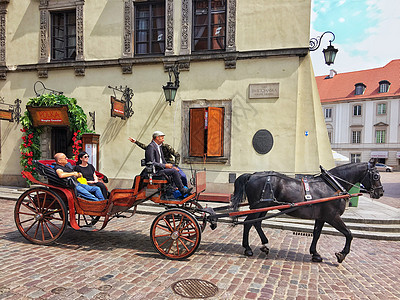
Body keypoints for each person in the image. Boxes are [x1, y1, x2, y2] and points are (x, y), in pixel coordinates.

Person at [142, 131, 191, 196]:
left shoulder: (158, 147)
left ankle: (172, 191)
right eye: (162, 138)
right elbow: (150, 162)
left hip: (160, 170)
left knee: (176, 171)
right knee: (174, 172)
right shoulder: (151, 147)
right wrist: (165, 165)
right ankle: (182, 190)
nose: (163, 140)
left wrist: (172, 167)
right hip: (155, 172)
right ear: (157, 138)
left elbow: (163, 160)